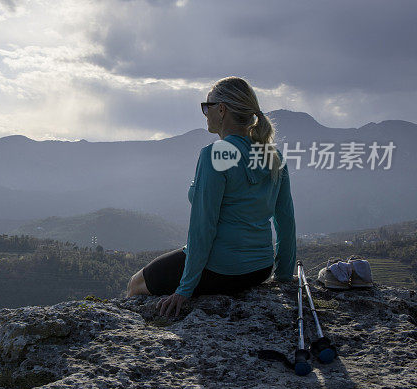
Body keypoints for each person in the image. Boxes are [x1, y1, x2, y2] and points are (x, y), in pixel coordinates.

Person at [126, 76, 297, 318]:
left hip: (221, 268)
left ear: (221, 109)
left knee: (135, 284)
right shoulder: (273, 156)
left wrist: (185, 289)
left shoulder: (216, 154)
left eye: (207, 107)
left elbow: (202, 227)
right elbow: (286, 221)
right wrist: (284, 277)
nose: (205, 113)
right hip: (260, 268)